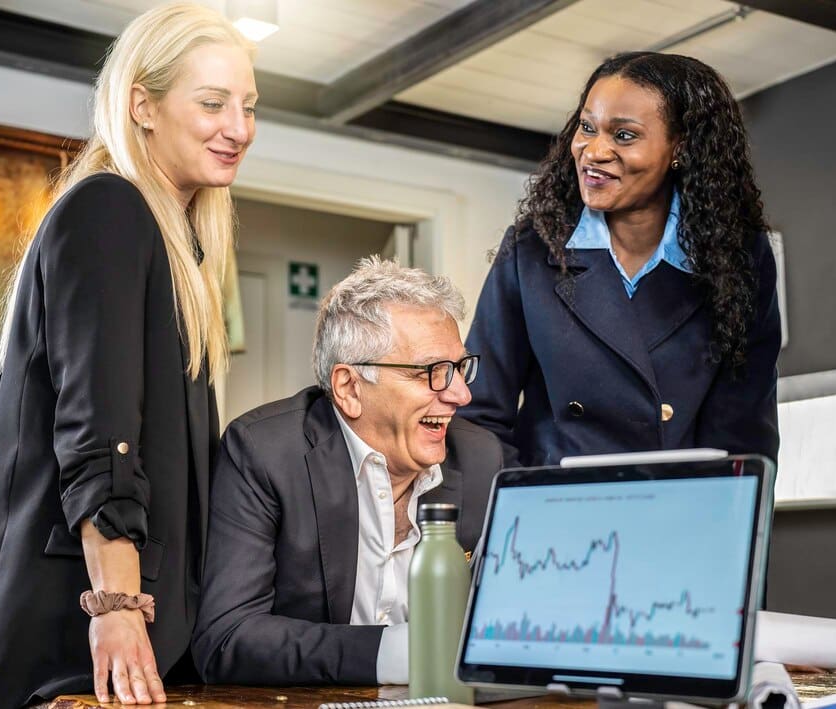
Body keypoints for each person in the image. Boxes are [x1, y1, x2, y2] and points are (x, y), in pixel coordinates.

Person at [0, 4, 257, 706]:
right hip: (68, 648)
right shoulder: (108, 210)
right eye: (212, 103)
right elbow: (101, 437)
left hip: (131, 645)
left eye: (248, 106)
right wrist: (117, 609)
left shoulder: (172, 241)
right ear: (141, 105)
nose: (238, 127)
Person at [191, 257, 502, 685]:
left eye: (460, 368)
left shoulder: (480, 457)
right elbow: (227, 638)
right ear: (349, 388)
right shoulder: (264, 453)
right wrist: (398, 652)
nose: (461, 395)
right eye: (432, 372)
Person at [462, 51, 781, 467]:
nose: (593, 151)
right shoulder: (531, 250)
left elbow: (743, 431)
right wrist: (521, 505)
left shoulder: (737, 258)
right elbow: (478, 414)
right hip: (554, 513)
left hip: (674, 512)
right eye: (587, 127)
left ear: (679, 147)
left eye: (624, 136)